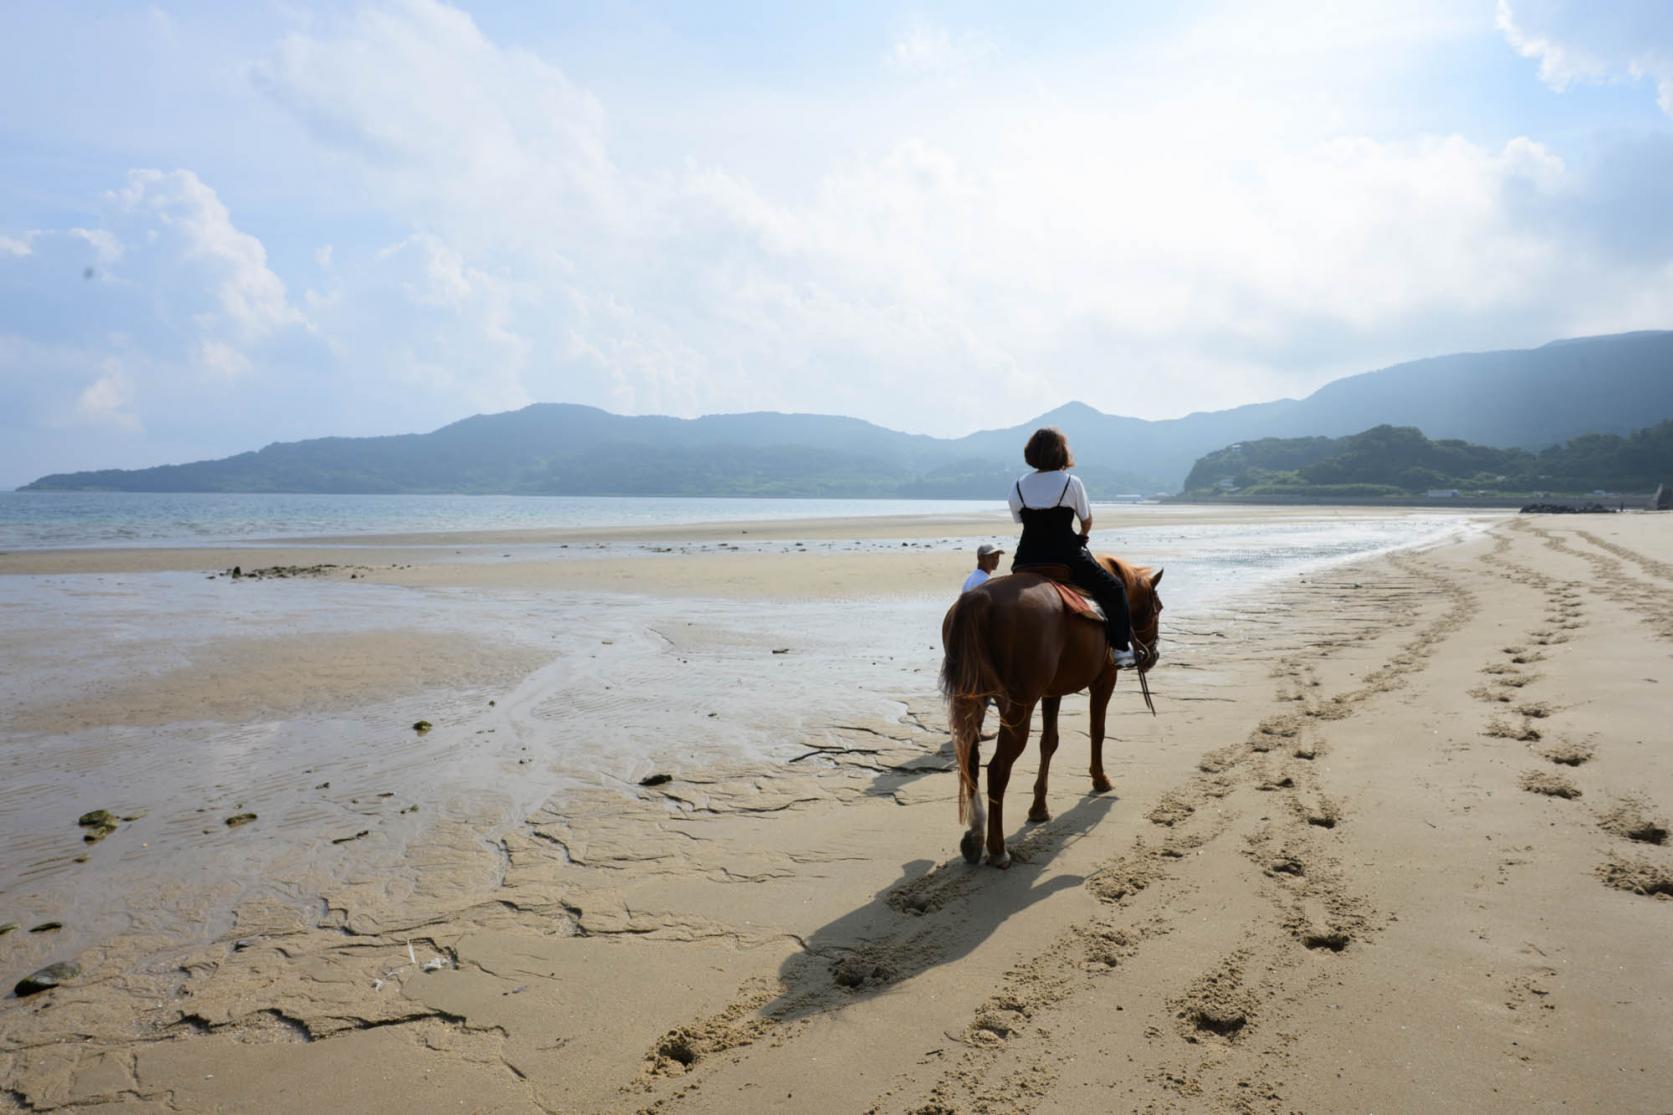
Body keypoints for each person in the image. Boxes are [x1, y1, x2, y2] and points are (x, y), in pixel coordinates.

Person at [1008, 427, 1137, 668]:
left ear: (1031, 453)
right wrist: (1082, 535)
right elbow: (1086, 520)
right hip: (1065, 557)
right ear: (1061, 453)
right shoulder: (1071, 483)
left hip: (1026, 558)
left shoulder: (1018, 485)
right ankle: (1121, 648)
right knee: (1114, 589)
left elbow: (1020, 520)